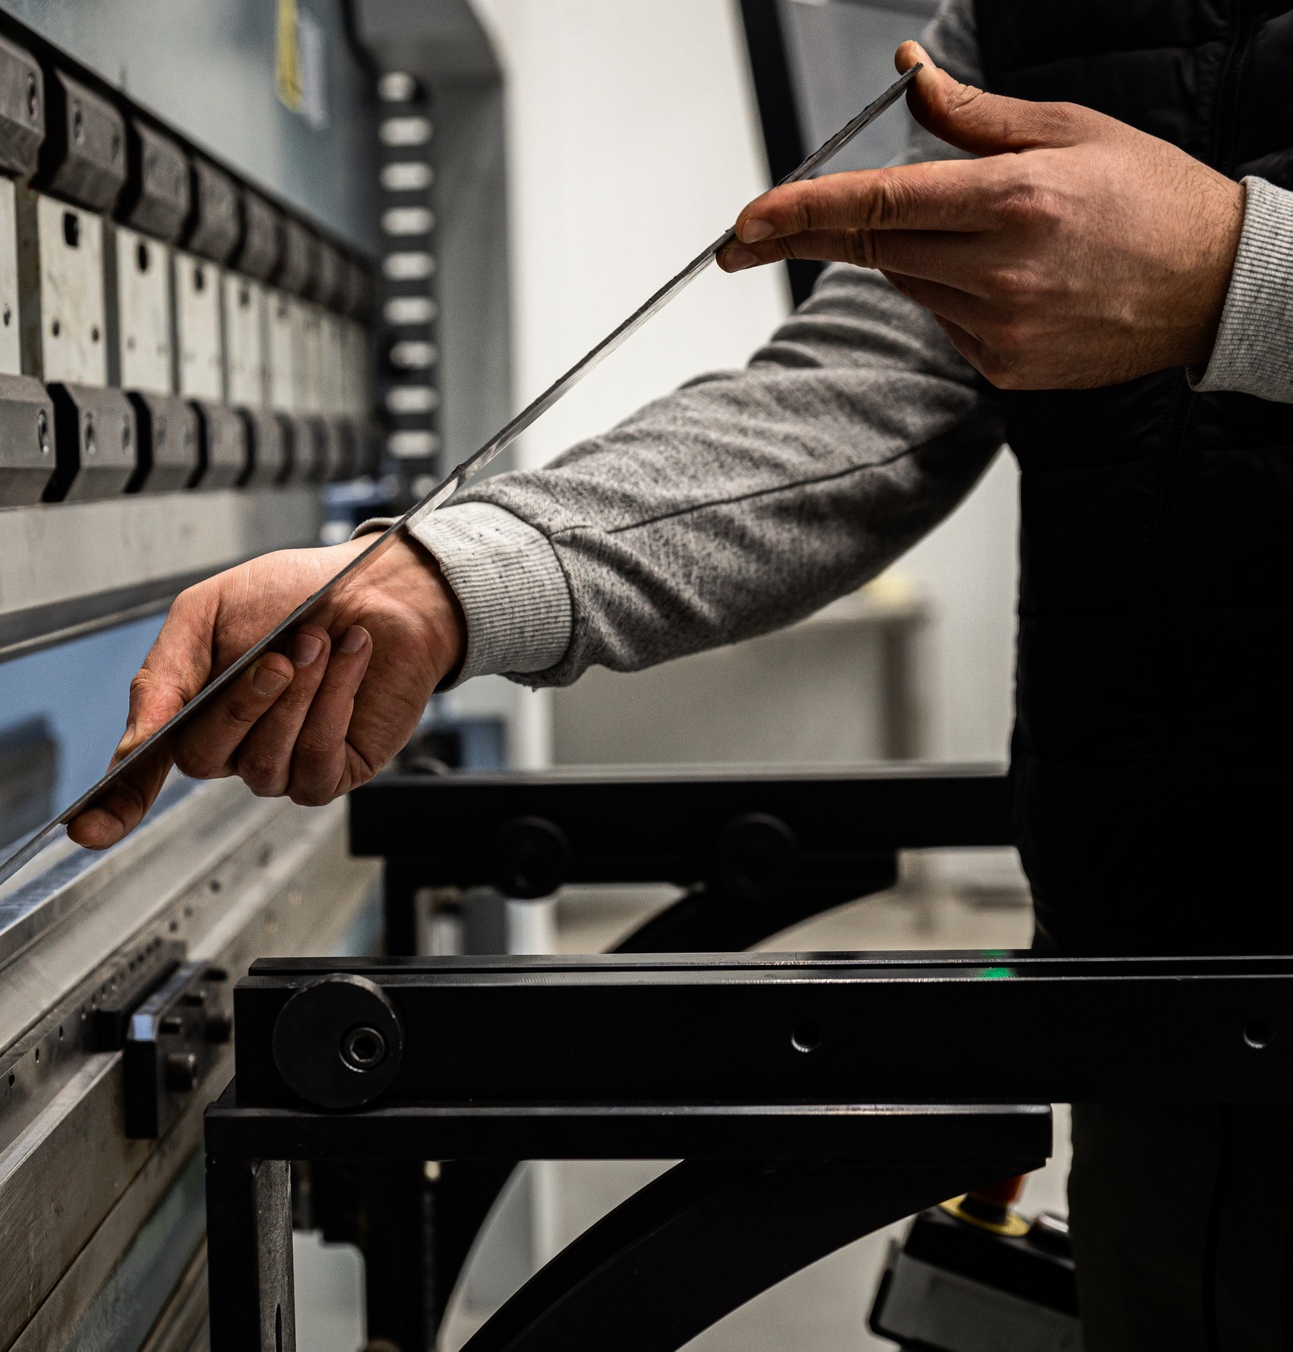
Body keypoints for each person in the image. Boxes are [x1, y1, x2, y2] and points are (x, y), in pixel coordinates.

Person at [71, 3, 1293, 1346]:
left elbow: (1223, 270)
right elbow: (843, 420)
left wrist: (1248, 271)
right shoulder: (1033, 17)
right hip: (1161, 1027)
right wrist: (438, 578)